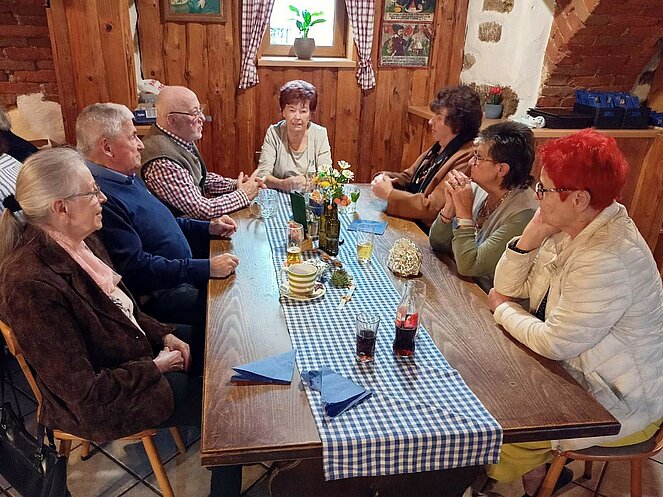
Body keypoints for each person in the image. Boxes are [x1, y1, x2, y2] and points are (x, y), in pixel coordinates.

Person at [0, 148, 242, 497]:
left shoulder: (81, 239)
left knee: (222, 347)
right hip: (106, 401)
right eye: (91, 192)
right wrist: (156, 366)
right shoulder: (29, 283)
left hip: (132, 352)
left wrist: (164, 335)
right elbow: (84, 392)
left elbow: (124, 308)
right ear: (61, 208)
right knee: (228, 405)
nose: (102, 198)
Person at [486, 129, 663, 497]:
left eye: (544, 189)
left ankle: (509, 480)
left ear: (579, 198)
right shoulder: (571, 224)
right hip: (578, 373)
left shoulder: (605, 256)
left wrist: (502, 309)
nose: (537, 196)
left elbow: (554, 342)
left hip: (618, 403)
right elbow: (507, 286)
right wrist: (530, 236)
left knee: (496, 425)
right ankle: (537, 479)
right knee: (486, 383)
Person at [76, 103, 239, 327]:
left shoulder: (126, 177)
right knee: (234, 310)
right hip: (163, 293)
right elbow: (137, 268)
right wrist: (207, 268)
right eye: (133, 137)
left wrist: (209, 227)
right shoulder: (103, 197)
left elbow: (162, 224)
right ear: (107, 148)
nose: (141, 145)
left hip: (183, 274)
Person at [429, 122, 537, 292]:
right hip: (461, 283)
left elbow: (470, 266)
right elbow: (437, 243)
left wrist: (464, 215)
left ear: (501, 169)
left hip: (486, 298)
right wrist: (449, 209)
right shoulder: (478, 187)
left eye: (478, 157)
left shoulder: (524, 214)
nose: (470, 162)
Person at [141, 85, 263, 219]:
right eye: (195, 113)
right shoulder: (161, 161)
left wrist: (236, 185)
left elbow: (198, 178)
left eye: (200, 110)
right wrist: (244, 194)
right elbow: (203, 209)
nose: (202, 118)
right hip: (179, 229)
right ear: (172, 120)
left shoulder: (178, 138)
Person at [371, 85, 482, 231]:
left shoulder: (466, 156)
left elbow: (432, 208)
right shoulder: (441, 145)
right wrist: (383, 177)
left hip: (430, 233)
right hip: (411, 221)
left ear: (457, 125)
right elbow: (409, 177)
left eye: (439, 117)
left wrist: (390, 194)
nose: (430, 121)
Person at [256, 80, 332, 192]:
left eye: (303, 111)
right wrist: (283, 184)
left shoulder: (320, 134)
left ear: (311, 114)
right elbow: (262, 175)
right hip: (278, 194)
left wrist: (309, 183)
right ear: (283, 112)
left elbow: (326, 176)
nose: (297, 117)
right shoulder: (274, 132)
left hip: (311, 196)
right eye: (292, 110)